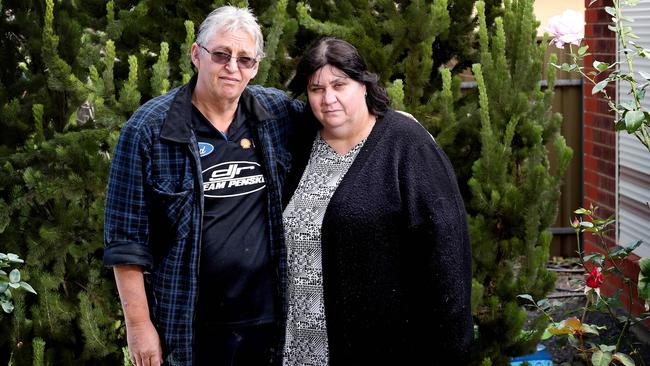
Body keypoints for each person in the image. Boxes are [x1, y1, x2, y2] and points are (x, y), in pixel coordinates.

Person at [103, 6, 303, 366]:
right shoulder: (149, 129)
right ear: (197, 55)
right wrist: (138, 325)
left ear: (256, 66)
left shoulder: (275, 114)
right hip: (189, 328)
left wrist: (387, 116)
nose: (232, 67)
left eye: (245, 59)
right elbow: (125, 240)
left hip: (268, 323)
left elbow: (339, 115)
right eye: (222, 54)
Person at [282, 37, 473, 365]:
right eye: (316, 89)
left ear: (364, 84)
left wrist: (450, 350)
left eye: (340, 85)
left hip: (383, 349)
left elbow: (448, 255)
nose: (328, 99)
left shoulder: (406, 145)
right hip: (298, 347)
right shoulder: (298, 142)